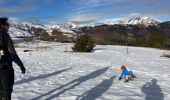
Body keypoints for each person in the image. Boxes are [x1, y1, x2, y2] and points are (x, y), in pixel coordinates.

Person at [0, 17, 25, 100]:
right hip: (5, 69)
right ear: (2, 25)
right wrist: (21, 65)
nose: (8, 26)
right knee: (6, 93)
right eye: (7, 24)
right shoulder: (5, 36)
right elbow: (12, 53)